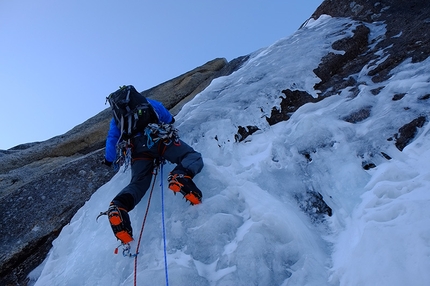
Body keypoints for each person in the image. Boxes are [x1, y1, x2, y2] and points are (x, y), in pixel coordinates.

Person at [101, 85, 204, 245]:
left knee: (138, 183)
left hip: (138, 151)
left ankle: (119, 206)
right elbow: (167, 117)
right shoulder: (147, 103)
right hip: (159, 138)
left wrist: (109, 160)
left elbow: (112, 139)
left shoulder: (117, 119)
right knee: (191, 156)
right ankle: (180, 175)